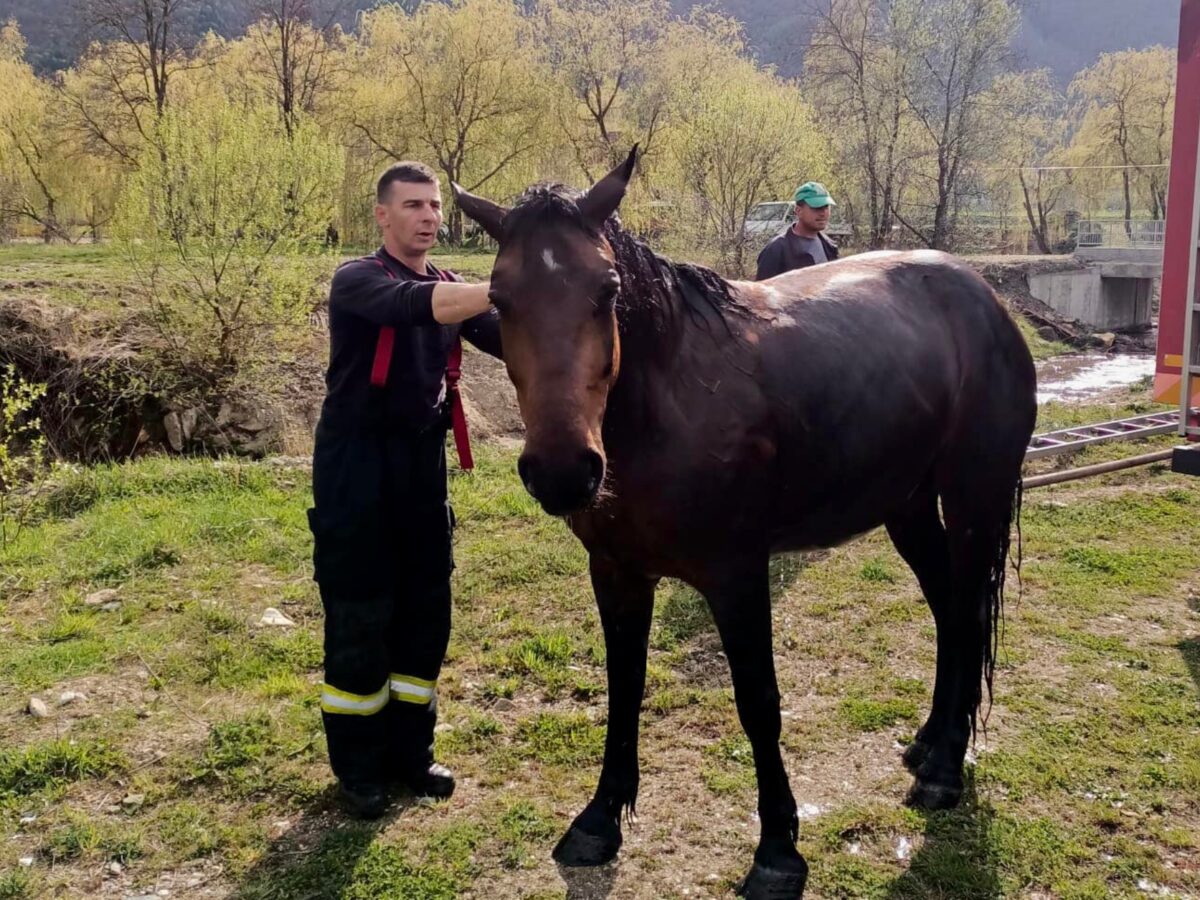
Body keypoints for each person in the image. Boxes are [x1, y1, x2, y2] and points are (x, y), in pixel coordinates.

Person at [308, 160, 502, 819]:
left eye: (434, 206)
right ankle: (359, 769)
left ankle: (410, 756)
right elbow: (418, 308)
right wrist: (514, 278)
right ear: (383, 216)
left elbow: (507, 335)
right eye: (414, 205)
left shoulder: (451, 283)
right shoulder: (359, 279)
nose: (428, 216)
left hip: (423, 464)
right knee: (360, 617)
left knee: (425, 616)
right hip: (355, 469)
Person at [755, 181, 840, 280]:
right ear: (798, 211)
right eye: (817, 207)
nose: (823, 213)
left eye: (826, 207)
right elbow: (762, 291)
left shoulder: (830, 246)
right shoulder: (776, 250)